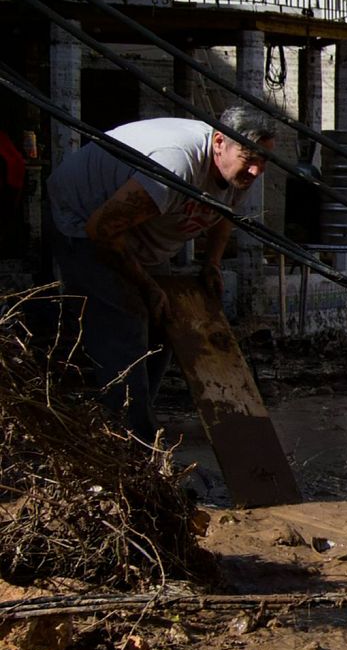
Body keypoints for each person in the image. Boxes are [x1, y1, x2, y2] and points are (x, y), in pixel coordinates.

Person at [47, 104, 275, 444]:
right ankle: (130, 440)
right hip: (84, 217)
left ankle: (137, 419)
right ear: (218, 143)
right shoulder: (176, 163)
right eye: (249, 159)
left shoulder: (240, 170)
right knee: (126, 320)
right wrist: (147, 284)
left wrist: (211, 262)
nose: (257, 170)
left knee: (165, 319)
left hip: (140, 231)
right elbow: (101, 229)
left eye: (265, 160)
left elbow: (224, 211)